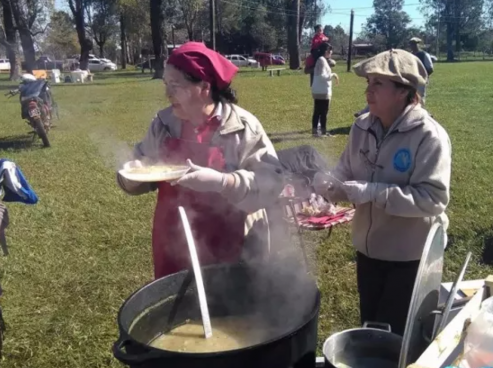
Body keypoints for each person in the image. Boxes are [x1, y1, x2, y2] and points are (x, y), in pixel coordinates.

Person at [117, 41, 286, 280]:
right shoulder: (163, 124)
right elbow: (142, 167)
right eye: (166, 85)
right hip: (174, 237)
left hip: (234, 242)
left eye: (176, 85)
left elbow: (271, 183)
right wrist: (132, 176)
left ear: (204, 87)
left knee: (230, 310)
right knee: (180, 310)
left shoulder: (242, 127)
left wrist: (223, 182)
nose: (168, 94)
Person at [314, 49, 451, 335]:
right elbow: (345, 170)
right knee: (370, 326)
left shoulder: (429, 136)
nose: (368, 90)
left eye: (378, 84)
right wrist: (328, 186)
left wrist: (373, 192)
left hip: (409, 256)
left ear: (403, 91)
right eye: (368, 83)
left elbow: (433, 199)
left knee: (397, 336)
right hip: (368, 250)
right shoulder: (361, 127)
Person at [311, 42, 338, 138]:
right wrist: (332, 75)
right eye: (330, 50)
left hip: (319, 90)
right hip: (322, 91)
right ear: (326, 51)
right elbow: (322, 76)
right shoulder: (322, 60)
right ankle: (322, 132)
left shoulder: (321, 60)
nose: (331, 52)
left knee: (318, 111)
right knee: (323, 112)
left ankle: (316, 132)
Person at [409, 37, 434, 102]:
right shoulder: (410, 55)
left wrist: (423, 76)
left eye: (415, 44)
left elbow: (430, 68)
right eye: (411, 44)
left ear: (419, 44)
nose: (413, 45)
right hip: (411, 80)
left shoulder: (424, 54)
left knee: (420, 98)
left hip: (421, 80)